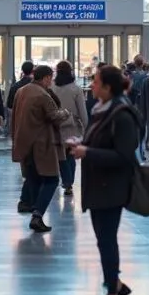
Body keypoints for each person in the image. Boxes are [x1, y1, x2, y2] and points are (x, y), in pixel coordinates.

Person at [71, 65, 140, 295]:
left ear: (108, 87)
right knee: (104, 240)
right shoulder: (102, 111)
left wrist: (87, 152)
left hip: (111, 187)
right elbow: (100, 142)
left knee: (107, 241)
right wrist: (82, 145)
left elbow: (123, 156)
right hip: (98, 185)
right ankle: (116, 287)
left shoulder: (121, 114)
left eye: (96, 82)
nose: (92, 86)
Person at [12, 65, 69, 233]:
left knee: (34, 177)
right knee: (51, 179)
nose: (51, 82)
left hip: (25, 142)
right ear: (45, 78)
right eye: (50, 78)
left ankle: (30, 205)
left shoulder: (21, 91)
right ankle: (37, 215)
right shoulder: (43, 95)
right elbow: (54, 116)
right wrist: (65, 113)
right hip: (42, 143)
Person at [52, 60, 88, 197]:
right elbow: (82, 112)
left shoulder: (52, 87)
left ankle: (63, 180)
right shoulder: (76, 89)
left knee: (60, 155)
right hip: (72, 126)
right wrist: (86, 127)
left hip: (55, 125)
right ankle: (68, 183)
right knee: (70, 155)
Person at [6, 61, 34, 140]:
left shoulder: (15, 86)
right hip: (33, 121)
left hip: (19, 121)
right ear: (33, 71)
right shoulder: (38, 86)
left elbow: (9, 105)